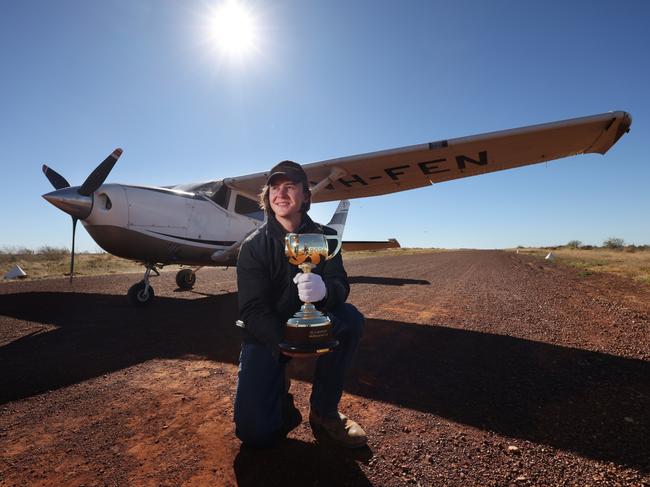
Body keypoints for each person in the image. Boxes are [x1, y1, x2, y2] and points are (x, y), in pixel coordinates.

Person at [234, 160, 367, 449]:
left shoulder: (325, 238)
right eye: (274, 187)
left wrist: (325, 291)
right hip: (266, 335)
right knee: (254, 433)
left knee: (351, 319)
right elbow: (252, 309)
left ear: (305, 195)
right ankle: (280, 397)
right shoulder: (253, 246)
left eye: (290, 187)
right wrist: (286, 342)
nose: (280, 193)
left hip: (313, 322)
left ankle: (324, 412)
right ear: (267, 196)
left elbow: (341, 284)